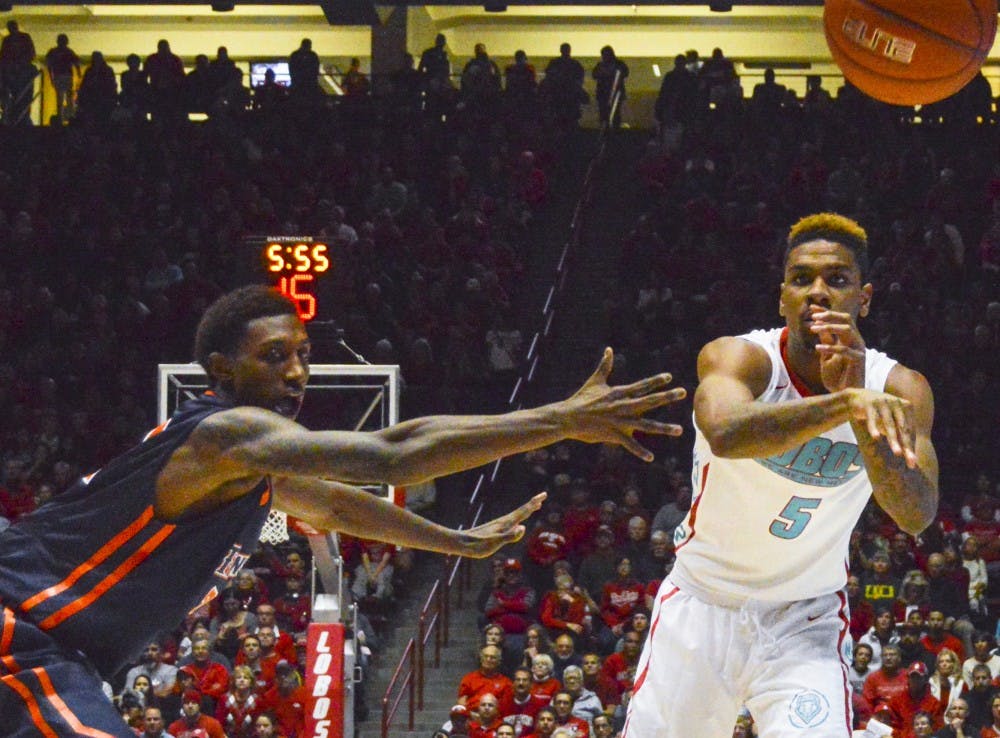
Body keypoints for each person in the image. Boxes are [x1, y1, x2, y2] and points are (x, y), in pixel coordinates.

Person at [0, 284, 685, 736]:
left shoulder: (249, 470)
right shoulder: (223, 433)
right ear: (222, 370)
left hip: (59, 649)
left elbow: (335, 505)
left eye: (303, 354)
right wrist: (559, 419)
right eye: (274, 357)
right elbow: (393, 454)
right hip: (21, 629)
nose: (297, 372)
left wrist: (451, 541)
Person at [624, 213, 939, 738]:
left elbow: (915, 514)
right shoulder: (741, 359)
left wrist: (862, 420)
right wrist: (842, 403)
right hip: (704, 601)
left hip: (805, 617)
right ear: (781, 298)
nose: (817, 292)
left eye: (837, 280)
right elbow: (725, 433)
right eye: (801, 279)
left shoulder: (900, 388)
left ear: (864, 298)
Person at [44, 33, 80, 124]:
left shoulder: (53, 52)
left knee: (60, 98)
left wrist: (51, 77)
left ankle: (60, 118)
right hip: (67, 76)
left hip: (58, 76)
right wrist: (79, 74)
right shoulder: (69, 51)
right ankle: (70, 118)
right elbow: (76, 63)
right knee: (69, 98)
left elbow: (49, 65)